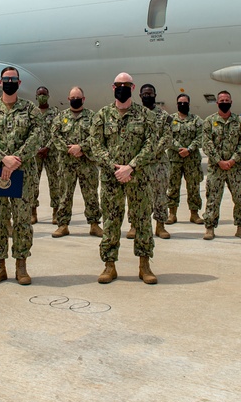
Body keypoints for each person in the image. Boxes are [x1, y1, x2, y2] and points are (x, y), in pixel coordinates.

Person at [0, 67, 45, 285]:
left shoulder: (30, 109)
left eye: (13, 79)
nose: (10, 82)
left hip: (22, 173)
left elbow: (37, 135)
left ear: (19, 83)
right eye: (6, 79)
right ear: (0, 82)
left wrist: (16, 160)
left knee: (22, 221)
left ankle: (21, 266)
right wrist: (4, 159)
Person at [90, 73, 159, 285]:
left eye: (126, 85)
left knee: (142, 221)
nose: (122, 88)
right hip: (112, 180)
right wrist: (114, 167)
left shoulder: (145, 115)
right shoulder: (102, 115)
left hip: (138, 178)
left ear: (132, 87)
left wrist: (131, 167)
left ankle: (144, 266)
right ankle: (109, 266)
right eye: (119, 85)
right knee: (111, 221)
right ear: (113, 87)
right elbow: (95, 144)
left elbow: (152, 144)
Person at [52, 86, 102, 238]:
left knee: (91, 194)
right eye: (72, 98)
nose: (75, 100)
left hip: (87, 163)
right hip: (67, 163)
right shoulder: (61, 117)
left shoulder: (92, 117)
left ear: (84, 99)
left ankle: (94, 225)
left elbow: (96, 136)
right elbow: (55, 135)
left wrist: (81, 147)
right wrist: (69, 149)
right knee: (65, 194)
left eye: (78, 97)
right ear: (68, 99)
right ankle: (63, 225)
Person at [202, 91, 241, 240]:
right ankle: (210, 228)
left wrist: (232, 160)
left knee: (240, 198)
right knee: (213, 198)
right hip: (216, 168)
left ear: (231, 102)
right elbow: (206, 144)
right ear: (217, 103)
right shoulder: (209, 121)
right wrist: (219, 161)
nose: (224, 102)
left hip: (234, 168)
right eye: (222, 100)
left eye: (227, 100)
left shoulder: (240, 122)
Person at [139, 83, 172, 239]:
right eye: (144, 94)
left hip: (159, 164)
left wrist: (152, 151)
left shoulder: (164, 116)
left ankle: (160, 226)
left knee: (160, 196)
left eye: (150, 93)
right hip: (140, 165)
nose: (147, 96)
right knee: (138, 197)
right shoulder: (135, 115)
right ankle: (135, 226)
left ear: (155, 95)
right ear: (140, 96)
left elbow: (167, 138)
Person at [167, 93, 204, 225]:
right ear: (177, 104)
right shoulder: (170, 119)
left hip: (192, 160)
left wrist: (189, 149)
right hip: (174, 160)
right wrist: (179, 148)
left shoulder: (196, 119)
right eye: (180, 102)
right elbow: (167, 136)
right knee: (172, 187)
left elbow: (201, 136)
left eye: (185, 102)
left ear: (189, 104)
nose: (183, 105)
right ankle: (172, 214)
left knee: (194, 187)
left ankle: (194, 214)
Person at [30, 86, 61, 225]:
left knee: (55, 183)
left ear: (48, 96)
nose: (42, 96)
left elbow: (57, 133)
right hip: (35, 154)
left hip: (51, 153)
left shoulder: (55, 112)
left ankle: (56, 211)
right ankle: (32, 211)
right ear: (36, 96)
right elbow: (30, 132)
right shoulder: (32, 113)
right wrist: (37, 148)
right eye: (39, 94)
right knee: (33, 183)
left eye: (44, 94)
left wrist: (47, 147)